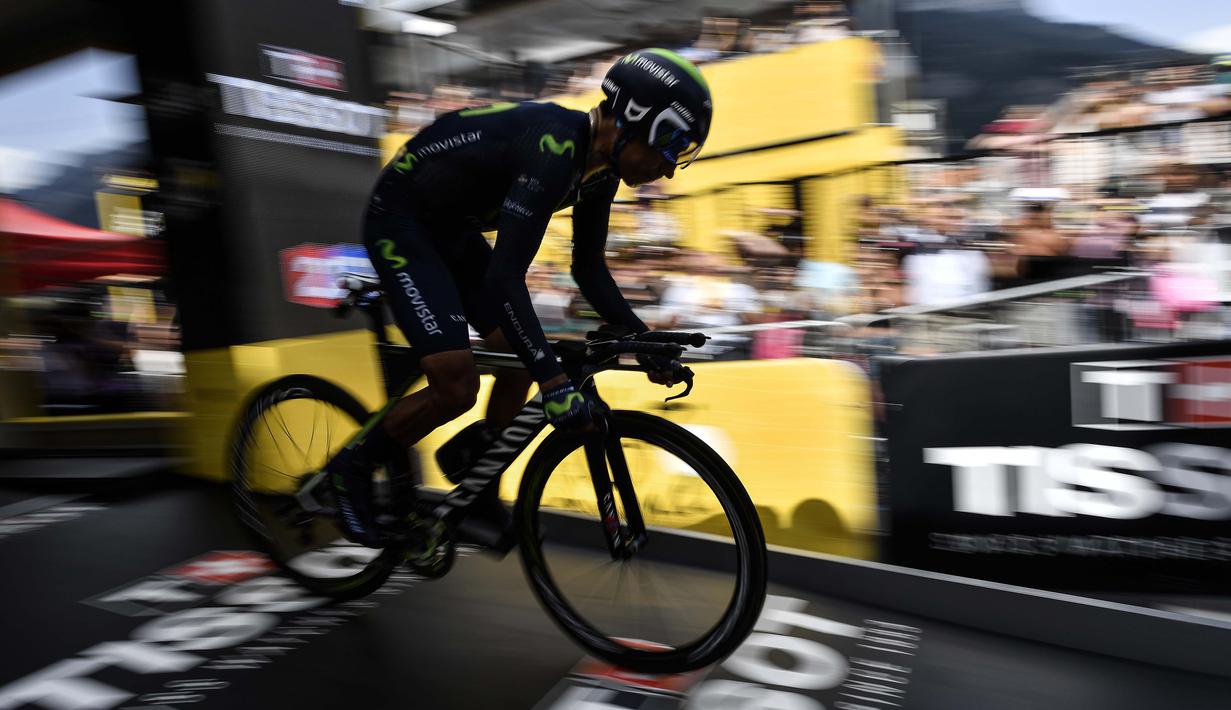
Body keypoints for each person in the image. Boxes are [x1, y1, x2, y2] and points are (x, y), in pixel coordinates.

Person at [328, 49, 713, 549]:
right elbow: (506, 282)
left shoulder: (600, 168)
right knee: (457, 385)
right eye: (671, 147)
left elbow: (588, 269)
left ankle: (478, 480)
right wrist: (553, 381)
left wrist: (643, 342)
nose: (669, 171)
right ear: (635, 120)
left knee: (517, 359)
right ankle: (350, 471)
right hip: (403, 222)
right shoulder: (553, 149)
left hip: (451, 229)